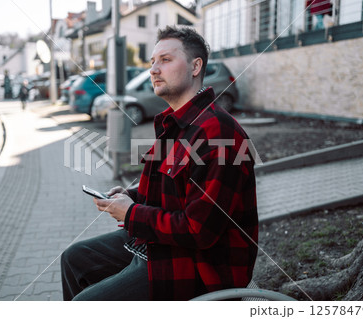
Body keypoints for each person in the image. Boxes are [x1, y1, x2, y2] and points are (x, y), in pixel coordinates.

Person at [61, 26, 259, 301]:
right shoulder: (176, 124)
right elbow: (169, 190)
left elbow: (199, 231)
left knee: (85, 304)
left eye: (165, 60)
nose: (154, 69)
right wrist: (130, 195)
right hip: (162, 246)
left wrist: (131, 214)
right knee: (74, 258)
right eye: (152, 62)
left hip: (201, 268)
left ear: (195, 66)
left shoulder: (219, 133)